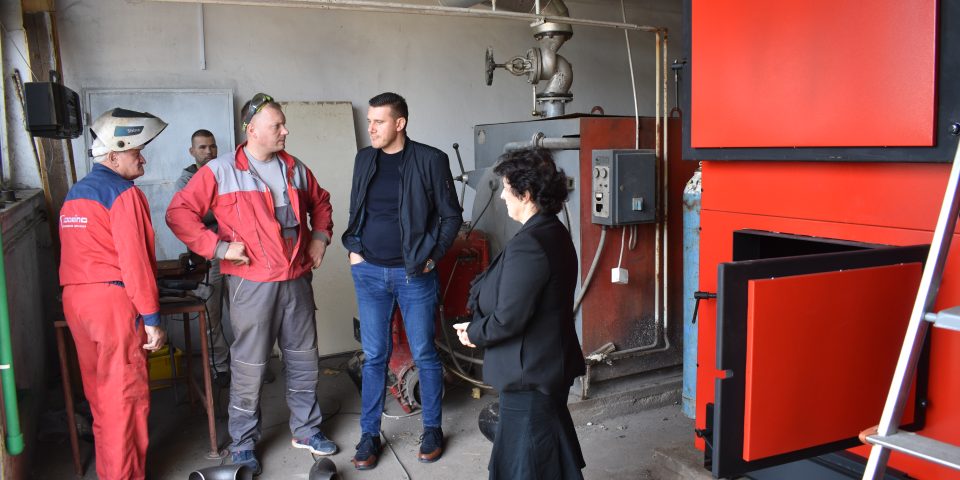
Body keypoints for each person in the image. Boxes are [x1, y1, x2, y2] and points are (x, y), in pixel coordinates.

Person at [167, 93, 336, 476]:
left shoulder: (294, 168)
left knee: (304, 358)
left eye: (284, 123)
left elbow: (321, 203)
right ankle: (243, 443)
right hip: (251, 282)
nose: (285, 130)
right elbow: (179, 213)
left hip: (295, 279)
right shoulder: (221, 171)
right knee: (249, 365)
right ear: (252, 129)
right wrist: (218, 247)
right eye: (277, 125)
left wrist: (320, 238)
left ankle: (307, 430)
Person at [342, 92, 463, 469]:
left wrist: (432, 257)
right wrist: (355, 250)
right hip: (369, 272)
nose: (371, 128)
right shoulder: (365, 159)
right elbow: (357, 209)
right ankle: (368, 435)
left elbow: (451, 217)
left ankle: (432, 429)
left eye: (378, 121)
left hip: (414, 276)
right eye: (369, 121)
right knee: (374, 356)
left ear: (400, 123)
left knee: (425, 353)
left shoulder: (430, 160)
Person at [453, 148, 586, 480]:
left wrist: (473, 333)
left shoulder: (530, 245)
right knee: (540, 461)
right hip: (544, 367)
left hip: (531, 375)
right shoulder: (552, 232)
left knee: (528, 466)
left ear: (525, 194)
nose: (501, 197)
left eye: (505, 189)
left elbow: (509, 318)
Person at [59, 108, 169, 480]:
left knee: (101, 399)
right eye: (136, 151)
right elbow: (135, 262)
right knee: (124, 400)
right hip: (112, 304)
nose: (143, 159)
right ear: (113, 155)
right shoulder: (123, 194)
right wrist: (151, 318)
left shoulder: (75, 194)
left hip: (77, 303)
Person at [174, 129, 231, 385]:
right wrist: (223, 208)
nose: (209, 151)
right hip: (209, 256)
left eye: (212, 146)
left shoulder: (225, 172)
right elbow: (192, 216)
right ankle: (220, 367)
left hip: (236, 251)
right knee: (211, 315)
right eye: (202, 147)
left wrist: (215, 209)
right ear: (192, 151)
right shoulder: (186, 181)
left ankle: (249, 366)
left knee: (245, 313)